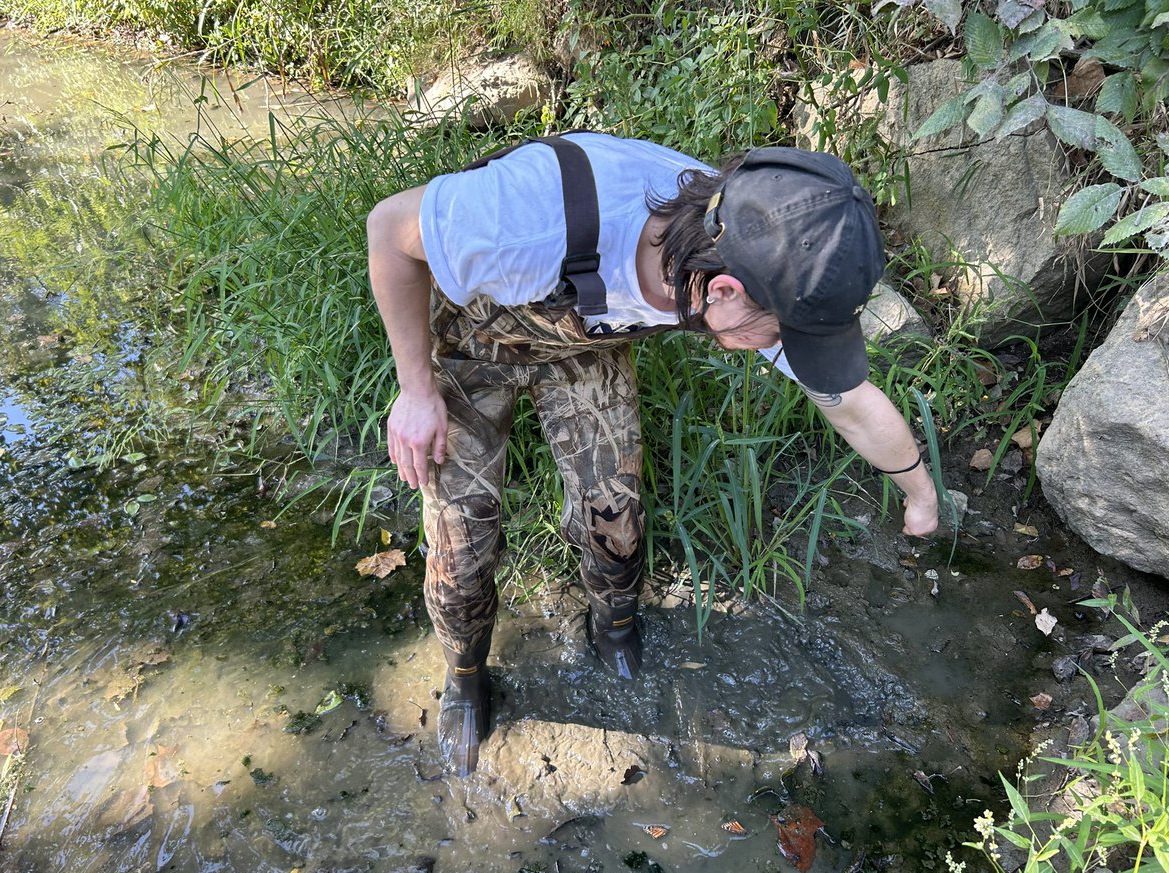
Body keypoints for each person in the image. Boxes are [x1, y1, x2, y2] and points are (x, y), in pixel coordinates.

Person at [365, 131, 939, 776]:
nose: (771, 350)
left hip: (583, 343)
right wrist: (414, 390)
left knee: (616, 514)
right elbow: (388, 228)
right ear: (720, 290)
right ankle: (466, 674)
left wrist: (919, 492)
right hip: (468, 344)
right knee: (462, 543)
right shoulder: (518, 219)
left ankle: (613, 627)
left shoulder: (762, 251)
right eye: (773, 336)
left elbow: (850, 400)